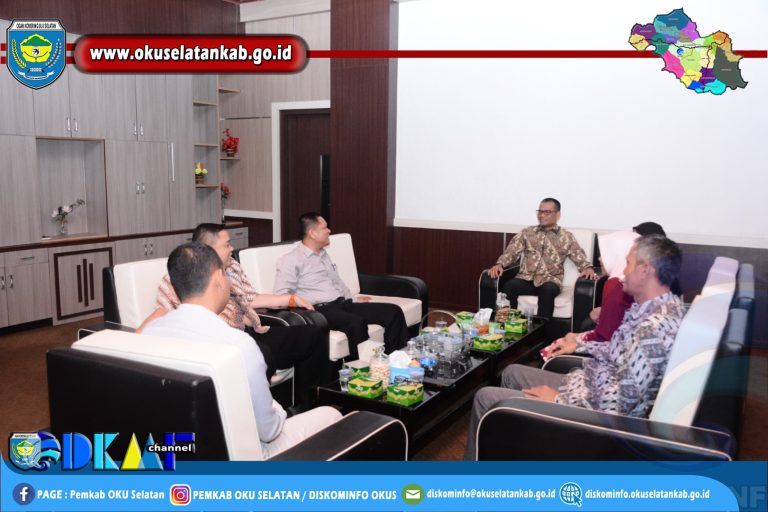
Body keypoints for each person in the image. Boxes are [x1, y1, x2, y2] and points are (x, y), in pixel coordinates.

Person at [465, 235, 684, 460]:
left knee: (485, 396)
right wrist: (577, 343)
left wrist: (557, 400)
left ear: (645, 270)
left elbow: (620, 404)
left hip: (586, 416)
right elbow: (619, 353)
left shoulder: (653, 329)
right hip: (585, 386)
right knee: (511, 372)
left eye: (628, 263)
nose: (623, 271)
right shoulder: (651, 309)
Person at [143, 242, 341, 458]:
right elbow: (269, 431)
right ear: (218, 278)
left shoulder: (149, 334)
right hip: (238, 455)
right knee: (331, 416)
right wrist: (279, 410)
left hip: (175, 448)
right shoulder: (239, 346)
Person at [137, 223, 329, 409]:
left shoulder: (232, 267)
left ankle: (308, 404)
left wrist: (290, 299)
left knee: (313, 335)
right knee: (262, 355)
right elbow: (162, 312)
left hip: (250, 331)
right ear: (208, 249)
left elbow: (250, 298)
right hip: (221, 343)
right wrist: (134, 340)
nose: (232, 248)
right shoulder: (183, 278)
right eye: (227, 244)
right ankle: (256, 415)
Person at [273, 213, 408, 360]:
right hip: (319, 310)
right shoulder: (291, 260)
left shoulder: (322, 254)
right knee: (356, 323)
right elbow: (281, 295)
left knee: (393, 312)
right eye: (325, 228)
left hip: (342, 304)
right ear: (312, 233)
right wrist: (301, 306)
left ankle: (394, 362)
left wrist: (353, 299)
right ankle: (360, 370)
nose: (329, 231)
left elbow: (336, 281)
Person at [487, 198, 597, 320]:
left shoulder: (566, 236)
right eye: (540, 211)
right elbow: (512, 252)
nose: (542, 215)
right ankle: (512, 324)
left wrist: (587, 268)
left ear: (558, 215)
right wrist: (500, 264)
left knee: (548, 290)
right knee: (510, 286)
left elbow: (578, 254)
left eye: (547, 212)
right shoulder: (527, 232)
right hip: (526, 279)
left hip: (550, 280)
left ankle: (542, 328)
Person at [575, 230, 639, 336]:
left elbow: (607, 334)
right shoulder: (641, 281)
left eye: (606, 254)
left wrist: (576, 339)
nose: (599, 258)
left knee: (587, 324)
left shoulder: (615, 284)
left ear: (617, 255)